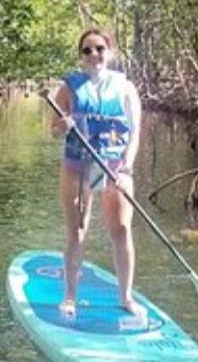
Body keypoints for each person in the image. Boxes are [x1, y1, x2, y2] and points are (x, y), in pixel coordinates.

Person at [49, 28, 143, 320]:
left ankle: (126, 297)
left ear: (109, 52)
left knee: (122, 230)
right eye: (87, 50)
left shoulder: (125, 87)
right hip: (78, 165)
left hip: (116, 166)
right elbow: (53, 131)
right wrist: (62, 125)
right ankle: (69, 297)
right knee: (77, 232)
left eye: (99, 48)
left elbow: (135, 132)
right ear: (80, 56)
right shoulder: (68, 88)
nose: (94, 55)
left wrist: (126, 165)